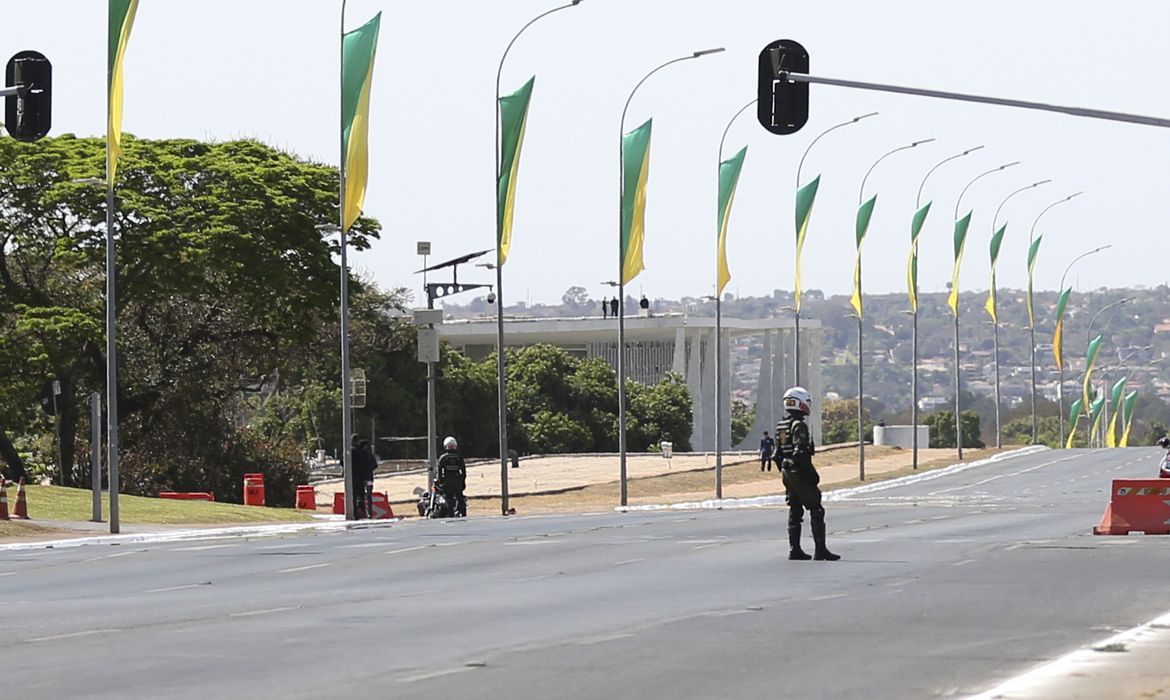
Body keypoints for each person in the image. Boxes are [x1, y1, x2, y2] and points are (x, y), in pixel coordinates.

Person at [776, 387, 839, 561]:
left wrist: (785, 473)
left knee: (795, 509)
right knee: (816, 509)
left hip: (786, 471)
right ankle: (821, 550)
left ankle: (794, 549)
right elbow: (800, 452)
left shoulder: (782, 426)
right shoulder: (799, 426)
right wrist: (811, 475)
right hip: (798, 471)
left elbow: (776, 455)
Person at [436, 436, 467, 517]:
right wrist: (462, 481)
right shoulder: (459, 457)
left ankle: (451, 514)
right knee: (459, 497)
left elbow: (440, 471)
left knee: (449, 498)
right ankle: (463, 512)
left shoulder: (443, 458)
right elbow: (463, 471)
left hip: (447, 479)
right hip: (457, 479)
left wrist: (441, 481)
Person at [351, 433, 377, 519]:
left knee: (354, 495)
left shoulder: (352, 452)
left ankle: (355, 512)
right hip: (367, 478)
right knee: (366, 496)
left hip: (354, 478)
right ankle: (367, 513)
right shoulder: (367, 454)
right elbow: (374, 465)